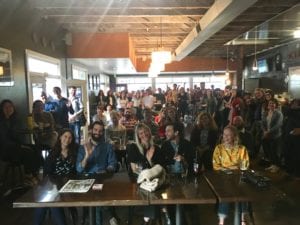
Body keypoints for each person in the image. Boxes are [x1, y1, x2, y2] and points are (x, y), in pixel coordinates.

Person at [76, 121, 118, 225]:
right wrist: (86, 156)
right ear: (91, 130)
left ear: (103, 132)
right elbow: (79, 169)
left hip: (103, 178)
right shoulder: (83, 147)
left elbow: (113, 164)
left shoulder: (107, 147)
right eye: (95, 130)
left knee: (98, 198)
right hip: (87, 180)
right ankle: (111, 215)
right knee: (97, 199)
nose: (97, 133)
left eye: (100, 131)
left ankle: (105, 217)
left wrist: (107, 170)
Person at [33, 129, 78, 225]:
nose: (67, 139)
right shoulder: (53, 153)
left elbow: (76, 171)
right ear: (60, 137)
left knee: (52, 202)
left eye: (70, 137)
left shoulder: (74, 152)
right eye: (65, 136)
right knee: (44, 203)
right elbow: (46, 173)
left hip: (69, 186)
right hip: (54, 185)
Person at [127, 123, 166, 225]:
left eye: (146, 131)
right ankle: (154, 219)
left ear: (149, 132)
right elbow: (134, 169)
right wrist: (146, 174)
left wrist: (149, 161)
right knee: (150, 191)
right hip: (138, 180)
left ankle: (147, 219)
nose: (144, 134)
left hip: (154, 180)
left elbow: (160, 168)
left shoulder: (156, 148)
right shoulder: (133, 147)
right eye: (141, 133)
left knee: (152, 189)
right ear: (138, 136)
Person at [212, 125, 250, 225]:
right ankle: (221, 220)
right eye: (224, 135)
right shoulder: (219, 148)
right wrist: (230, 169)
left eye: (229, 135)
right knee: (225, 192)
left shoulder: (242, 149)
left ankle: (242, 218)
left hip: (238, 176)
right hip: (223, 177)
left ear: (234, 136)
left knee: (243, 191)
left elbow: (245, 165)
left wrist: (233, 170)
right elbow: (216, 165)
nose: (226, 137)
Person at [0, 99, 40, 186]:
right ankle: (28, 176)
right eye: (6, 107)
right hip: (5, 150)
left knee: (35, 148)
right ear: (1, 109)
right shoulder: (1, 122)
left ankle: (35, 173)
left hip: (15, 146)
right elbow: (4, 140)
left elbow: (17, 136)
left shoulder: (13, 120)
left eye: (10, 106)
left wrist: (20, 143)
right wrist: (19, 146)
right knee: (28, 151)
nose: (8, 109)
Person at [261, 99, 283, 173]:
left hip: (276, 135)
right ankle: (273, 165)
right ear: (268, 105)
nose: (271, 105)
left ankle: (277, 166)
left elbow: (278, 125)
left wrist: (268, 132)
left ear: (276, 105)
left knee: (275, 151)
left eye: (273, 103)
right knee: (269, 151)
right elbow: (262, 123)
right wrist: (264, 131)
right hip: (267, 135)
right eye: (270, 103)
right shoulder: (265, 113)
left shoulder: (279, 113)